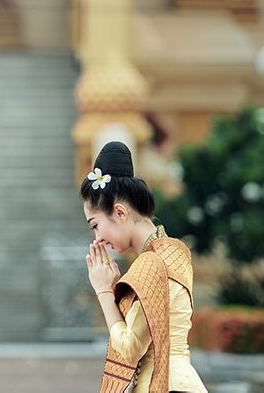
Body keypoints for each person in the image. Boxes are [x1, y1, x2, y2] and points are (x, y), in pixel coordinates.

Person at [82, 141, 207, 393]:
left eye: (95, 225)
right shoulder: (174, 253)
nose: (97, 238)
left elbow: (129, 349)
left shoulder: (151, 265)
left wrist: (104, 291)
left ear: (120, 212)